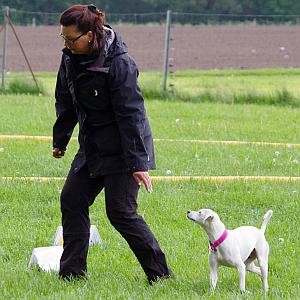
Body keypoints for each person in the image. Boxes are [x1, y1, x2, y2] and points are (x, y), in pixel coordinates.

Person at [52, 4, 172, 284]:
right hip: (93, 145)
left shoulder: (119, 63)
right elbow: (65, 98)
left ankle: (161, 276)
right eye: (63, 38)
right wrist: (61, 139)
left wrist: (138, 164)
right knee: (72, 199)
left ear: (91, 35)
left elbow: (131, 114)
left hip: (124, 148)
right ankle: (71, 275)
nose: (67, 44)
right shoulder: (71, 56)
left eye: (72, 39)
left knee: (120, 212)